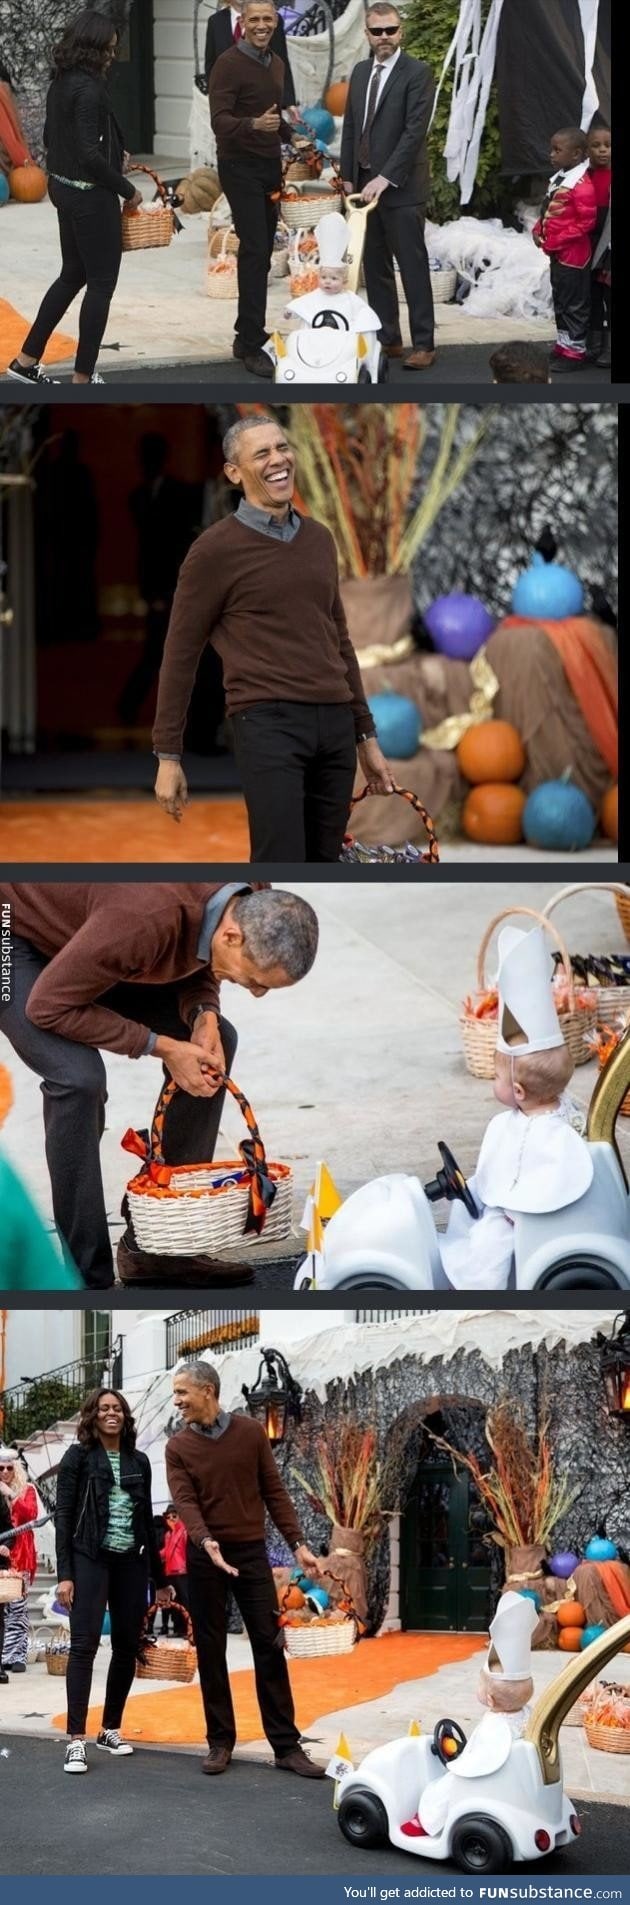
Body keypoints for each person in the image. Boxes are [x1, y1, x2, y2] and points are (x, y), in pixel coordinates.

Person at [0, 881, 319, 1288]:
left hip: (92, 935)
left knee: (218, 1038)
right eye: (256, 980)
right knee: (77, 1078)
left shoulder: (252, 897)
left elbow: (198, 951)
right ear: (233, 935)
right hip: (12, 933)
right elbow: (47, 1007)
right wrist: (163, 1047)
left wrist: (204, 1014)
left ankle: (158, 1250)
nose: (256, 993)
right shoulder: (142, 920)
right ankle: (85, 1278)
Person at [153, 415, 393, 862]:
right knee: (279, 862)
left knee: (327, 863)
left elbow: (339, 640)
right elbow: (180, 653)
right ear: (233, 472)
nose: (278, 459)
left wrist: (367, 737)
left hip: (336, 726)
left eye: (282, 447)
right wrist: (169, 755)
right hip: (268, 723)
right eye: (261, 453)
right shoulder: (213, 550)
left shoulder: (320, 539)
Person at [166, 1358, 325, 1778]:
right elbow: (185, 1503)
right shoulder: (178, 1447)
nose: (177, 1400)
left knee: (269, 1645)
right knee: (212, 1650)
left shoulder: (251, 1433)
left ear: (208, 1391)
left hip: (250, 1553)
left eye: (183, 1392)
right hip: (206, 1557)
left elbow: (274, 1491)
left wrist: (298, 1544)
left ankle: (286, 1746)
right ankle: (220, 1741)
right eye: (175, 1393)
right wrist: (206, 1540)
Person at [440, 925, 594, 1292]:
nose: (493, 1082)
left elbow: (546, 1183)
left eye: (497, 1076)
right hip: (514, 1210)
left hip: (529, 1222)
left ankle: (480, 1291)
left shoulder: (551, 1132)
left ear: (519, 1090)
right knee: (464, 1211)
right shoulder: (541, 1113)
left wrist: (511, 1210)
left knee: (491, 1240)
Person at [6, 10, 141, 390]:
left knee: (73, 274)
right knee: (101, 283)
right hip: (90, 198)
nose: (113, 55)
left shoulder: (62, 82)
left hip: (63, 189)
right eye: (109, 49)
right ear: (93, 49)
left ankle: (26, 360)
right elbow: (88, 155)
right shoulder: (89, 89)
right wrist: (127, 189)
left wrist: (116, 156)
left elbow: (53, 138)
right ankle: (83, 377)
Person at [55, 1387, 171, 1776]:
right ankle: (75, 1740)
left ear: (125, 1416)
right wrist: (65, 1575)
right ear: (92, 1415)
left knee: (126, 1646)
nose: (111, 1414)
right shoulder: (77, 1458)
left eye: (117, 1408)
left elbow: (147, 1524)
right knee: (84, 1647)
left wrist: (160, 1577)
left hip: (131, 1563)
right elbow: (64, 1518)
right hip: (90, 1557)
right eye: (104, 1408)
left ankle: (110, 1728)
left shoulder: (138, 1460)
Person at [340, 3, 436, 371]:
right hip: (363, 186)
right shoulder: (361, 71)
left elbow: (414, 132)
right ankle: (388, 338)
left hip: (402, 188)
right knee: (374, 266)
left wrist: (386, 177)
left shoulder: (417, 72)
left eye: (390, 30)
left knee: (412, 266)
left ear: (401, 32)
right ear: (366, 34)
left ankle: (424, 343)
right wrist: (350, 175)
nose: (384, 38)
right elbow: (352, 126)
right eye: (377, 31)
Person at [209, 0, 301, 377]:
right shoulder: (228, 64)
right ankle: (250, 341)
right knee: (255, 250)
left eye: (268, 19)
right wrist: (252, 126)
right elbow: (219, 122)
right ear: (242, 23)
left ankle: (243, 334)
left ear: (276, 22)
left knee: (262, 254)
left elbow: (273, 116)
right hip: (238, 166)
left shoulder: (275, 63)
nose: (262, 25)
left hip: (268, 167)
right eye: (255, 19)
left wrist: (293, 137)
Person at [401, 1593, 537, 1839]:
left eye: (480, 1685)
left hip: (489, 1781)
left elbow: (476, 1763)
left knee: (445, 1786)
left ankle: (426, 1821)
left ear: (490, 1699)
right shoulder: (528, 1714)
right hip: (516, 1781)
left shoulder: (495, 1727)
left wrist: (457, 1762)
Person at [117, 435, 198, 725]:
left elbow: (181, 543)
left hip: (177, 587)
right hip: (155, 588)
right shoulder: (138, 497)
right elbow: (148, 548)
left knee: (171, 655)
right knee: (158, 654)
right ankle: (133, 708)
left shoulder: (180, 493)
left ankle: (135, 708)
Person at [281, 209, 383, 376]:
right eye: (324, 277)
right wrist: (290, 312)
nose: (328, 282)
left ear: (344, 281)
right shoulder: (315, 296)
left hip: (341, 347)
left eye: (334, 279)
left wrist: (358, 328)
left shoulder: (350, 299)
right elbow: (302, 305)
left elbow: (365, 316)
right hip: (316, 344)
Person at [532, 127, 597, 368]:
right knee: (560, 299)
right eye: (552, 149)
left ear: (576, 154)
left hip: (574, 256)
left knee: (574, 304)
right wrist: (538, 229)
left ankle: (576, 352)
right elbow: (549, 209)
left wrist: (556, 240)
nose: (551, 154)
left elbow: (586, 223)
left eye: (557, 150)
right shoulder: (561, 176)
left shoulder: (582, 186)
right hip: (558, 254)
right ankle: (563, 343)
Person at [205, 0, 295, 108]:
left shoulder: (271, 18)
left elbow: (281, 60)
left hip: (262, 100)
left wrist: (289, 102)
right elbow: (211, 64)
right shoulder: (215, 21)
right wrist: (214, 97)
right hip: (227, 102)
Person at [0, 1450, 38, 1674]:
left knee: (18, 1608)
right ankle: (3, 1654)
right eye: (1, 1468)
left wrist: (11, 1494)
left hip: (21, 1554)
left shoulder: (27, 1490)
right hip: (1, 1554)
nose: (5, 1472)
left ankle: (18, 1655)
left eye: (9, 1468)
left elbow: (31, 1514)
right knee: (2, 1609)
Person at [586, 124, 611, 369]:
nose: (603, 150)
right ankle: (592, 344)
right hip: (589, 244)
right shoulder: (583, 177)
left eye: (608, 145)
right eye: (596, 145)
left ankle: (609, 348)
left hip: (609, 247)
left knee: (609, 296)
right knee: (591, 295)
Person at [159, 1504, 190, 1635]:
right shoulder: (168, 1535)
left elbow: (187, 1551)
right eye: (168, 1516)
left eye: (174, 1516)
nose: (171, 1518)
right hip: (170, 1571)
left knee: (185, 1602)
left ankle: (188, 1629)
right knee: (174, 1603)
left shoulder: (184, 1532)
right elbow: (166, 1552)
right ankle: (178, 1629)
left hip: (182, 1571)